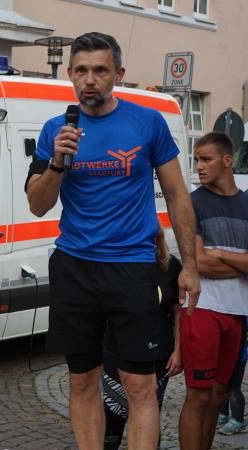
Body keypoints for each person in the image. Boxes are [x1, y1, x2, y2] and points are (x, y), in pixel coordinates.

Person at [24, 32, 199, 450]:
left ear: (118, 74)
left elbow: (177, 194)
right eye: (81, 70)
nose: (90, 80)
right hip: (74, 266)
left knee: (139, 384)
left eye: (100, 71)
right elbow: (37, 204)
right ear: (70, 74)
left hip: (132, 266)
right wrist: (57, 163)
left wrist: (189, 266)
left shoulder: (147, 123)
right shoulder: (54, 130)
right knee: (83, 379)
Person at [179, 132, 248, 449]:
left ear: (227, 160)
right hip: (202, 308)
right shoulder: (192, 203)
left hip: (238, 311)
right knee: (198, 396)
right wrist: (239, 263)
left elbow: (210, 258)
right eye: (197, 160)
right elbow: (199, 263)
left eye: (206, 159)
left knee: (218, 396)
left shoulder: (246, 204)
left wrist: (218, 253)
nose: (199, 167)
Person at [101, 229, 183, 449]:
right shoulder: (117, 263)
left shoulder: (171, 266)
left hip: (160, 354)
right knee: (114, 417)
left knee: (150, 413)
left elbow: (178, 313)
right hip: (117, 351)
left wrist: (178, 351)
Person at [217, 325, 246, 435]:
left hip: (240, 349)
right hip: (226, 347)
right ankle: (223, 415)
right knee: (222, 383)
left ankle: (238, 420)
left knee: (234, 385)